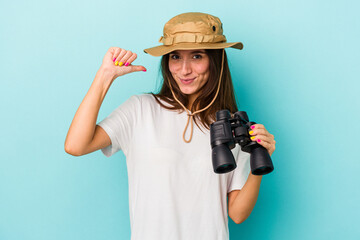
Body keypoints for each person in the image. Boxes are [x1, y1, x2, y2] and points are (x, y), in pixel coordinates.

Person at [65, 12, 276, 240]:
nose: (184, 70)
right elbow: (76, 145)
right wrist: (104, 76)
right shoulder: (141, 110)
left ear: (216, 61)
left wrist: (259, 158)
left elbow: (237, 213)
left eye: (196, 56)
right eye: (175, 57)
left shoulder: (232, 127)